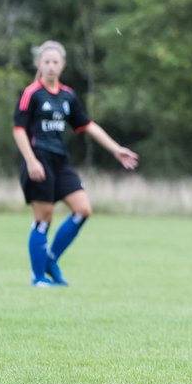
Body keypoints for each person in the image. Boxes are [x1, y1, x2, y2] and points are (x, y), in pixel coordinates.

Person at [12, 40, 139, 286]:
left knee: (83, 210)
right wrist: (31, 160)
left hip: (60, 160)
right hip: (38, 158)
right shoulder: (31, 94)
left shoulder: (68, 95)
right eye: (46, 61)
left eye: (55, 62)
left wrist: (116, 149)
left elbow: (87, 125)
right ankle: (38, 278)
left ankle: (50, 260)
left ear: (62, 65)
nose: (50, 66)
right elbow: (18, 130)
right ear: (39, 63)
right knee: (44, 218)